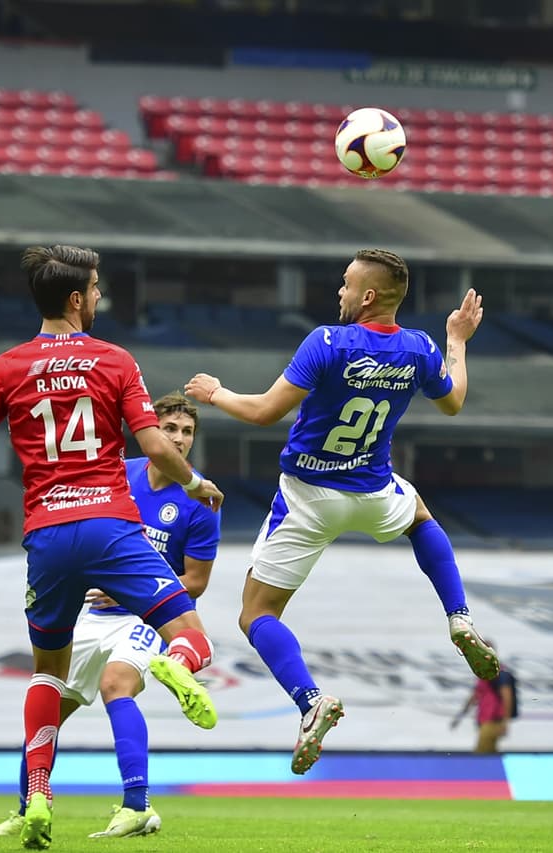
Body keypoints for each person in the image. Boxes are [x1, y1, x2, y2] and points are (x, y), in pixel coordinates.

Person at [0, 245, 224, 851]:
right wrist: (194, 483)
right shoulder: (115, 359)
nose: (99, 297)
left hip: (46, 535)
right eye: (95, 289)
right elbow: (154, 446)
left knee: (48, 672)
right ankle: (174, 666)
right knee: (193, 636)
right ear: (76, 299)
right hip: (111, 526)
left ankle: (39, 795)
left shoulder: (6, 367)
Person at [184, 248, 500, 776]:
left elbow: (263, 412)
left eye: (347, 284)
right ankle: (459, 617)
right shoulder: (419, 348)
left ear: (368, 296)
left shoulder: (327, 342)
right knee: (420, 518)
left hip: (308, 497)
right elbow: (453, 402)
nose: (340, 291)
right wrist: (458, 340)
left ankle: (311, 702)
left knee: (256, 614)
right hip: (374, 492)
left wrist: (215, 393)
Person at [0, 392, 222, 840]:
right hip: (93, 614)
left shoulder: (200, 500)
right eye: (169, 428)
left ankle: (137, 805)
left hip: (145, 616)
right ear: (151, 431)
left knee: (115, 685)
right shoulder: (119, 474)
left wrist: (129, 588)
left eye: (187, 432)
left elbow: (196, 580)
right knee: (51, 705)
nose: (178, 438)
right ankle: (27, 807)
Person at [450, 641, 516, 753]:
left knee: (481, 754)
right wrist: (460, 716)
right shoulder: (483, 672)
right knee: (490, 753)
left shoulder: (498, 673)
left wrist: (505, 722)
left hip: (493, 721)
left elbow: (507, 697)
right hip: (485, 720)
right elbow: (475, 696)